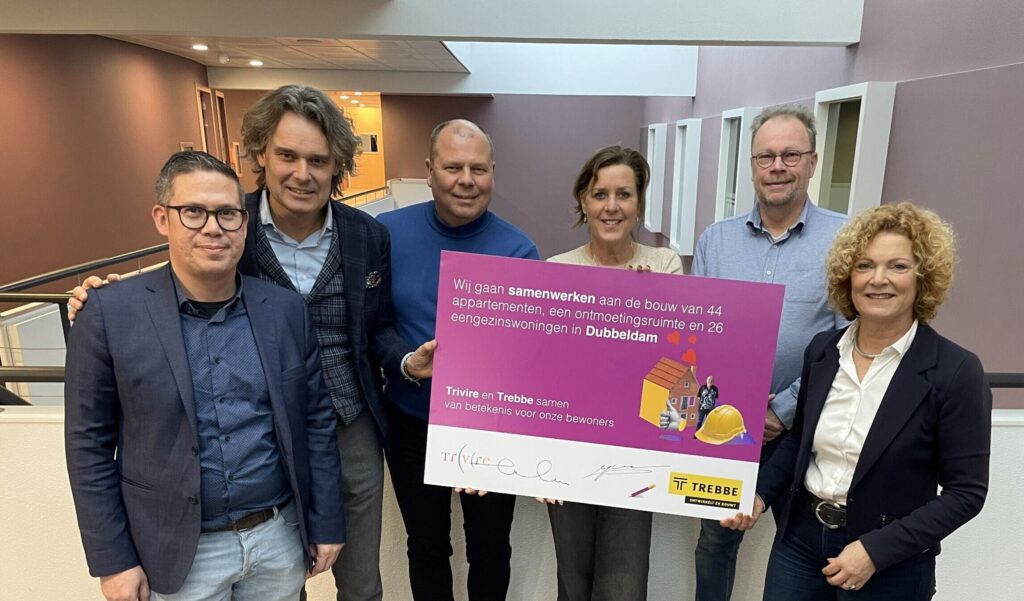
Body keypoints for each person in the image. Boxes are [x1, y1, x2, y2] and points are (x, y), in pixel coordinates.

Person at [68, 85, 434, 601]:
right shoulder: (226, 221)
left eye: (318, 160)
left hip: (348, 419)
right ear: (261, 155)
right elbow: (176, 282)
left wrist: (406, 362)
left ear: (337, 166)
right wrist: (102, 300)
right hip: (262, 423)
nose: (302, 173)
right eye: (287, 156)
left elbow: (376, 328)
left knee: (356, 578)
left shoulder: (366, 235)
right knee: (281, 561)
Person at [65, 151, 344, 601]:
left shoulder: (286, 311)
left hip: (277, 539)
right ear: (162, 219)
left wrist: (326, 521)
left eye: (228, 213)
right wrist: (113, 560)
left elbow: (316, 421)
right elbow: (88, 448)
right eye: (193, 212)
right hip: (175, 552)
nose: (213, 228)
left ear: (244, 224)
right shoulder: (108, 314)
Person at [722, 202, 992, 600]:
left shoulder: (955, 371)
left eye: (898, 266)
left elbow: (965, 493)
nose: (878, 279)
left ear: (923, 277)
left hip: (889, 563)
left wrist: (875, 551)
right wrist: (759, 494)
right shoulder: (823, 351)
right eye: (865, 265)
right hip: (799, 546)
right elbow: (799, 439)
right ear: (847, 275)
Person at [691, 104, 848, 601]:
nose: (777, 166)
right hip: (725, 428)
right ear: (752, 165)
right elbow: (698, 331)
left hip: (805, 431)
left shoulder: (845, 239)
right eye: (766, 156)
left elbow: (849, 340)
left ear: (813, 161)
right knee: (715, 542)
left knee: (803, 549)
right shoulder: (716, 241)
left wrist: (782, 410)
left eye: (790, 155)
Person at [376, 119, 538, 601]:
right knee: (426, 546)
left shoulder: (520, 251)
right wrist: (406, 361)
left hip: (490, 428)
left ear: (493, 173)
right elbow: (374, 326)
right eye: (453, 167)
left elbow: (530, 355)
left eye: (478, 169)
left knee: (490, 548)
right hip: (411, 421)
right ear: (429, 171)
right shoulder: (386, 235)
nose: (466, 180)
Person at [542, 145, 682, 601]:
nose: (612, 206)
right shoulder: (556, 271)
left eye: (624, 194)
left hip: (635, 453)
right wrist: (534, 463)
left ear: (639, 202)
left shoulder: (664, 266)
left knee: (625, 586)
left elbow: (674, 362)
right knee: (573, 584)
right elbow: (544, 372)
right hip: (569, 452)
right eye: (600, 194)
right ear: (583, 201)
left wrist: (647, 303)